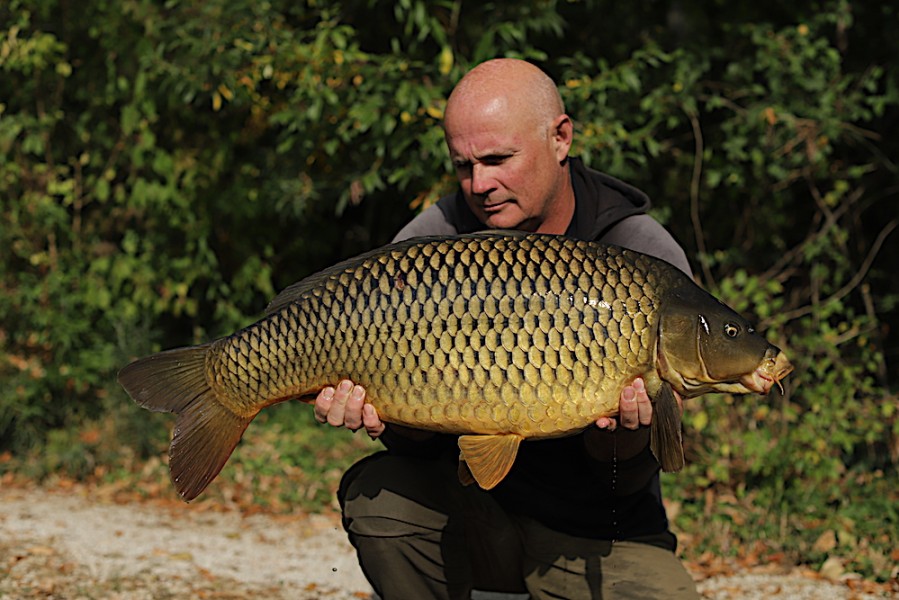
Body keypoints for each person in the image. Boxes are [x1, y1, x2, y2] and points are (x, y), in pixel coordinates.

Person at [314, 58, 699, 599]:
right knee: (382, 494)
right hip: (472, 516)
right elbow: (416, 449)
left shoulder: (640, 257)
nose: (481, 184)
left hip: (597, 534)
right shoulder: (432, 241)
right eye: (463, 166)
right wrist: (388, 418)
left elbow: (630, 480)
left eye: (498, 159)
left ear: (560, 138)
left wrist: (628, 438)